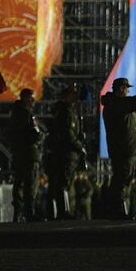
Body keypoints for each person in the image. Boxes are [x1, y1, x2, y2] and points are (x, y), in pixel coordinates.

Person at [100, 74, 136, 219]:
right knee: (122, 181)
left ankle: (119, 211)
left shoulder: (118, 104)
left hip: (127, 149)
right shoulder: (115, 104)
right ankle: (117, 211)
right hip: (123, 149)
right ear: (120, 89)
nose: (127, 92)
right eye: (126, 89)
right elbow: (135, 102)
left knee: (124, 180)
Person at [45, 83, 87, 219]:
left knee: (65, 182)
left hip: (68, 151)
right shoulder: (65, 112)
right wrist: (79, 145)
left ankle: (63, 211)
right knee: (63, 182)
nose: (75, 97)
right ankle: (64, 211)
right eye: (72, 94)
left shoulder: (68, 110)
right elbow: (68, 133)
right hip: (66, 151)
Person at [9, 88, 43, 221]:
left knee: (19, 182)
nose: (33, 100)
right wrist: (39, 136)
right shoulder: (25, 114)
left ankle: (18, 213)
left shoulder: (16, 113)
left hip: (19, 152)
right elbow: (31, 134)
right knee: (30, 183)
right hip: (28, 153)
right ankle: (29, 212)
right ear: (25, 98)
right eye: (31, 97)